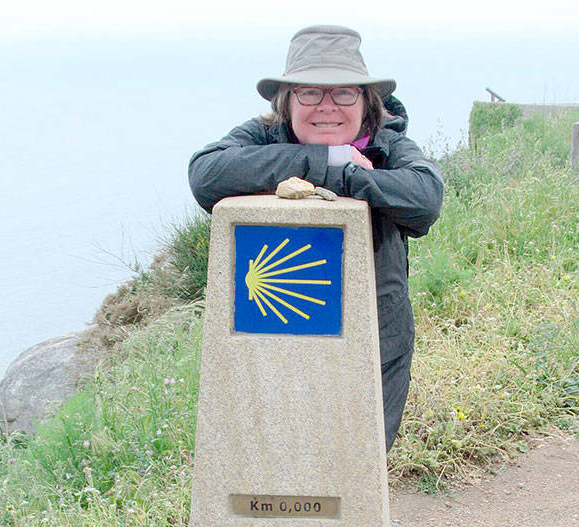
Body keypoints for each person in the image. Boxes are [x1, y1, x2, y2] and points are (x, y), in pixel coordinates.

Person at [188, 25, 443, 451]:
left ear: (367, 101)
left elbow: (425, 198)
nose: (327, 107)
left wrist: (350, 177)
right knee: (276, 462)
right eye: (310, 93)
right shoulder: (263, 136)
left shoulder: (389, 145)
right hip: (273, 343)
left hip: (375, 343)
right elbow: (206, 175)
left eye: (344, 93)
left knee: (356, 466)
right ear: (287, 101)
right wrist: (326, 159)